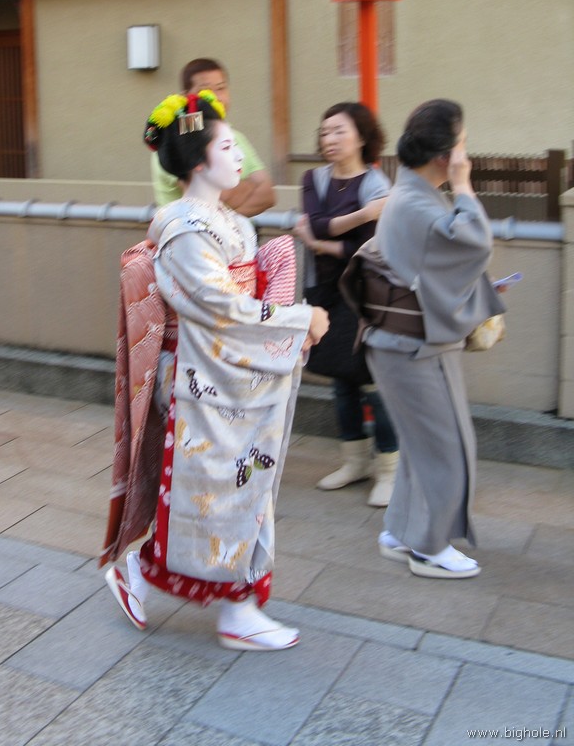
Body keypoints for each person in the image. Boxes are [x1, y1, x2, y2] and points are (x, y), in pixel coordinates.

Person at [103, 89, 329, 650]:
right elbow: (220, 307)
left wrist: (278, 282)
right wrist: (298, 320)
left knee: (238, 490)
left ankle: (206, 595)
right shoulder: (184, 230)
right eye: (228, 147)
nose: (239, 156)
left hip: (229, 373)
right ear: (200, 162)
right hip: (201, 380)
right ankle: (233, 608)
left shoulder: (227, 221)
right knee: (221, 494)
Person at [342, 99, 505, 579]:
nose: (466, 153)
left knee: (421, 446)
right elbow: (473, 241)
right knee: (446, 447)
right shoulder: (416, 201)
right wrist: (464, 184)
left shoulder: (412, 194)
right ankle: (429, 548)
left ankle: (401, 531)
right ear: (444, 156)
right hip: (413, 348)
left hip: (402, 344)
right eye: (462, 144)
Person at [294, 102, 398, 507]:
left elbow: (366, 246)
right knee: (340, 379)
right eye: (325, 132)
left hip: (364, 291)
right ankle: (354, 462)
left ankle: (389, 469)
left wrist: (319, 242)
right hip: (324, 291)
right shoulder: (314, 178)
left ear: (362, 136)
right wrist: (362, 215)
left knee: (373, 380)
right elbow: (317, 222)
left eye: (339, 130)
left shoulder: (376, 182)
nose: (329, 139)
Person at [150, 58, 276, 217]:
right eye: (205, 90)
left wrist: (226, 220)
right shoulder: (178, 140)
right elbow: (217, 195)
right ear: (186, 96)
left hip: (229, 231)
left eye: (221, 88)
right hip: (187, 230)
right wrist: (251, 186)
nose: (216, 97)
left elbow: (268, 195)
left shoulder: (236, 136)